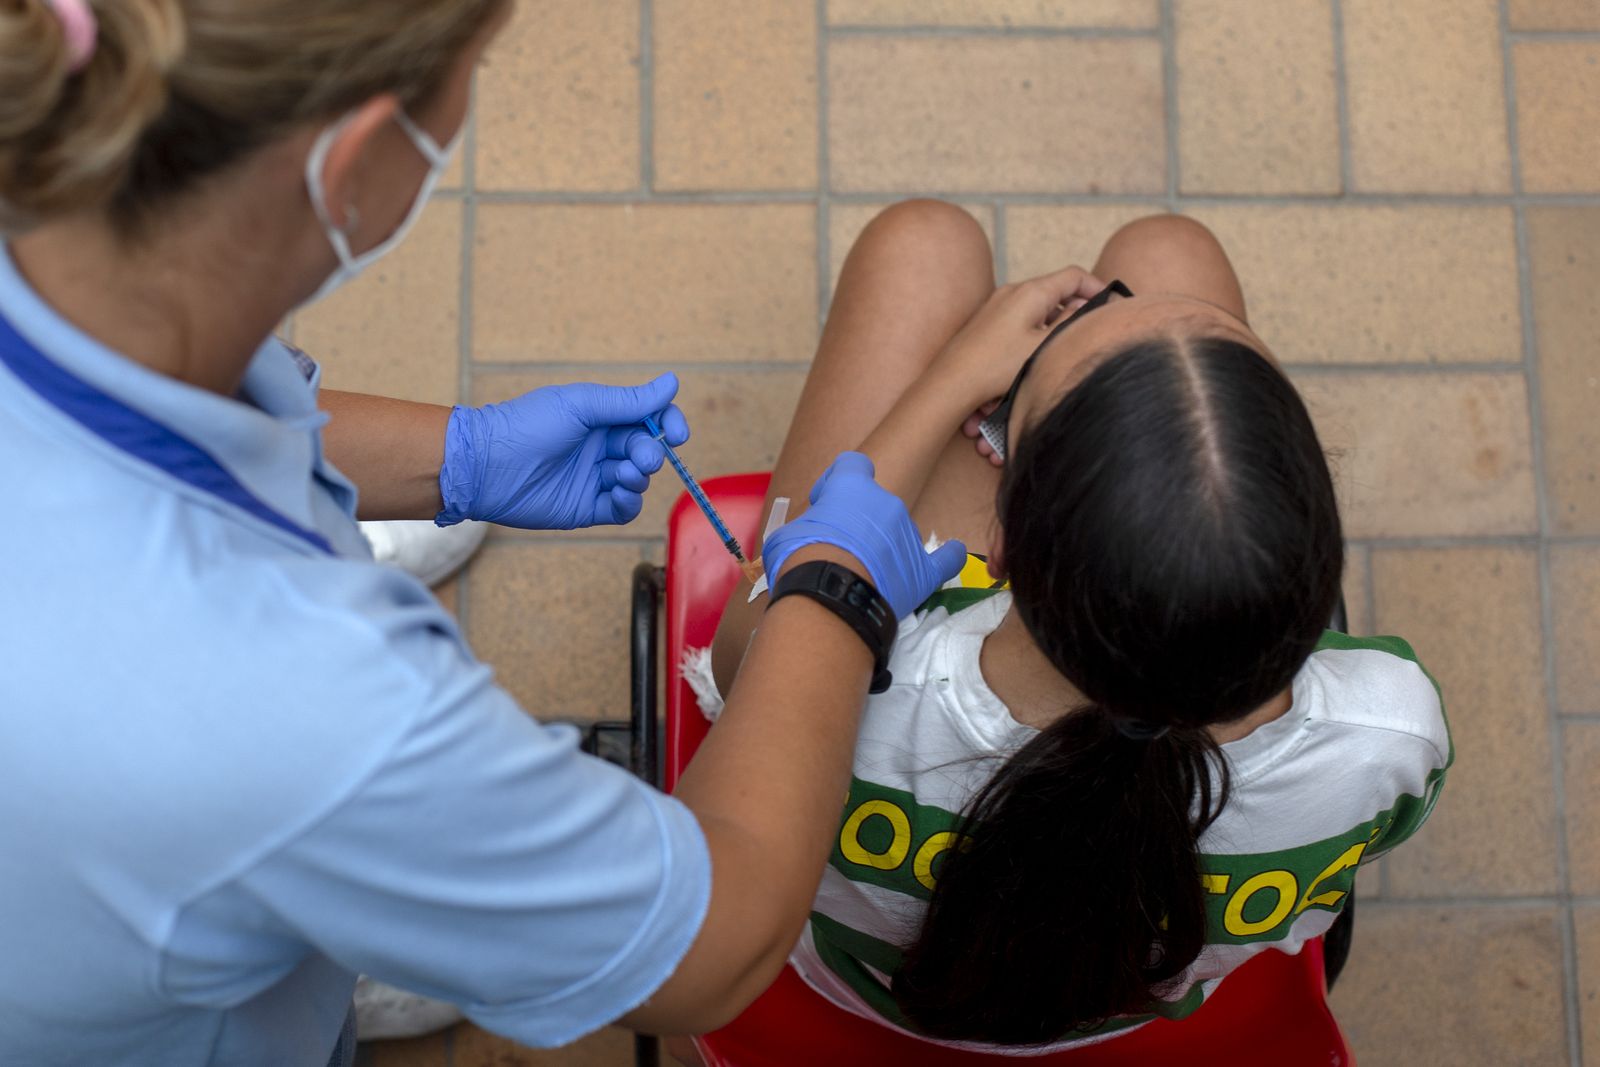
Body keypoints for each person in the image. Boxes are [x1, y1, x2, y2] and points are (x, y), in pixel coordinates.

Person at [0, 3, 972, 1065]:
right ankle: (356, 911)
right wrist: (834, 590)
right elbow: (713, 949)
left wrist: (454, 456)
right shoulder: (307, 706)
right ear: (355, 157)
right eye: (474, 71)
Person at [699, 201, 1453, 1055]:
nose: (1111, 307)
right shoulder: (1392, 726)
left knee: (924, 242)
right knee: (1174, 249)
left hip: (847, 987)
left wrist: (952, 378)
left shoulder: (873, 677)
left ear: (1000, 541)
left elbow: (743, 665)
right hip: (1126, 1016)